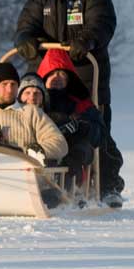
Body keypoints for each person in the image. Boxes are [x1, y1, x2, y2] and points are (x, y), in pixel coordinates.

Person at [13, 0, 125, 206]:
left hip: (86, 76)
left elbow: (103, 23)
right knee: (36, 130)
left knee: (96, 131)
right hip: (47, 78)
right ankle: (32, 182)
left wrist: (86, 40)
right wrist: (25, 40)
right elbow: (26, 25)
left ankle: (108, 186)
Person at [37, 49, 106, 199]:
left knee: (80, 150)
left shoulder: (80, 103)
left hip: (72, 151)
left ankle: (66, 192)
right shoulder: (34, 99)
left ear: (69, 79)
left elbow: (99, 132)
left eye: (62, 74)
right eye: (53, 73)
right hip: (42, 150)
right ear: (44, 78)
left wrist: (83, 127)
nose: (57, 77)